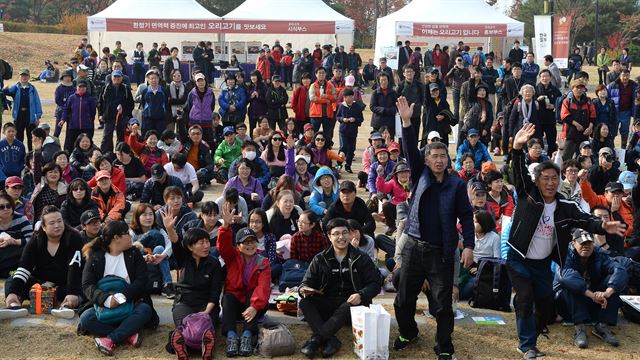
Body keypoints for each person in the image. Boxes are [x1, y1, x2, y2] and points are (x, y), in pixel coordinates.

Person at [504, 123, 625, 359]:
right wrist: (517, 148)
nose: (550, 183)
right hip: (518, 258)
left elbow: (585, 220)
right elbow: (518, 171)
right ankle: (527, 344)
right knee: (526, 299)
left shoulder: (565, 206)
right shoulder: (528, 195)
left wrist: (603, 225)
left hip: (542, 264)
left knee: (545, 302)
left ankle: (534, 329)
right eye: (545, 178)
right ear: (537, 181)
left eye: (554, 179)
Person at [393, 97, 475, 359]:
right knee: (403, 299)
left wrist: (470, 246)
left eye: (443, 156)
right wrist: (407, 122)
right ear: (427, 160)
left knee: (442, 306)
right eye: (434, 156)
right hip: (414, 248)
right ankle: (408, 331)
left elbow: (466, 214)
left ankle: (444, 346)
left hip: (441, 251)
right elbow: (408, 148)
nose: (439, 160)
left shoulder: (457, 185)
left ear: (449, 161)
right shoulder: (420, 174)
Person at [298, 217, 382, 358]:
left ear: (350, 235)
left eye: (344, 233)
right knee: (305, 303)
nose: (341, 237)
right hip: (329, 302)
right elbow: (306, 282)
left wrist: (361, 294)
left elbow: (375, 284)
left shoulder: (361, 258)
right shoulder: (320, 259)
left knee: (348, 304)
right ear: (329, 237)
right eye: (336, 234)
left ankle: (316, 339)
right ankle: (331, 339)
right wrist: (304, 289)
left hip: (354, 306)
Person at [79, 220, 158, 356]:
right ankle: (127, 335)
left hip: (130, 304)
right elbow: (87, 285)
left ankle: (110, 339)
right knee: (86, 318)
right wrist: (106, 299)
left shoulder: (134, 254)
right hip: (104, 307)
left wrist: (122, 297)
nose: (131, 236)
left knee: (145, 310)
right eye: (127, 233)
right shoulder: (95, 256)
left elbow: (141, 281)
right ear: (116, 238)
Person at [0, 206, 83, 320]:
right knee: (11, 280)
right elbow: (25, 267)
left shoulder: (74, 237)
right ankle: (14, 306)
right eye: (52, 223)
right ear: (43, 227)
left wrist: (72, 292)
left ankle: (67, 306)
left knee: (81, 287)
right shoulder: (36, 240)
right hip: (41, 282)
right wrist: (13, 292)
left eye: (59, 221)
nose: (57, 225)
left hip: (65, 283)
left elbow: (75, 267)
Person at [554, 229, 627, 349]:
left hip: (595, 302)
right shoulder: (564, 254)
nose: (586, 246)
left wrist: (608, 292)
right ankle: (579, 327)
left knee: (613, 281)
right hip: (567, 304)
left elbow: (619, 270)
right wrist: (591, 295)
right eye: (582, 243)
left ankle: (602, 325)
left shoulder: (600, 254)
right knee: (569, 283)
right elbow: (566, 276)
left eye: (589, 243)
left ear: (593, 243)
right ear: (573, 243)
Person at [218, 205, 271, 357]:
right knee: (227, 297)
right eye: (245, 242)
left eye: (252, 241)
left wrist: (255, 306)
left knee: (252, 295)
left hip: (254, 304)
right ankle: (231, 336)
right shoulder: (233, 257)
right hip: (235, 305)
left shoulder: (263, 261)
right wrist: (226, 226)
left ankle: (248, 335)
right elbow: (223, 246)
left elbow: (263, 287)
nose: (250, 245)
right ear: (238, 246)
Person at [165, 227, 222, 360]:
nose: (206, 246)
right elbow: (175, 242)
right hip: (184, 302)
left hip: (207, 304)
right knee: (188, 326)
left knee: (202, 325)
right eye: (201, 243)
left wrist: (205, 313)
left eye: (207, 242)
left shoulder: (214, 264)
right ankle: (198, 343)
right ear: (190, 247)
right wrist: (169, 228)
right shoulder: (183, 258)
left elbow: (215, 292)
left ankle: (180, 341)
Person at [129, 203, 174, 297]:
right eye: (144, 215)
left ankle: (167, 284)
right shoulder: (132, 232)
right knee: (152, 234)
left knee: (160, 248)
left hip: (157, 260)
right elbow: (130, 252)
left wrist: (162, 256)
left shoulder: (159, 229)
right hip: (140, 260)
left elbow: (169, 245)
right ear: (137, 217)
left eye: (151, 214)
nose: (148, 217)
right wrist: (144, 257)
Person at [459, 210, 501, 300]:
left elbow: (497, 261)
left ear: (483, 223)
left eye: (475, 222)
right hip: (468, 267)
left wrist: (480, 269)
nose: (472, 224)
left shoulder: (494, 238)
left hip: (484, 271)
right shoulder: (470, 236)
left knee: (464, 292)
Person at [3, 68, 42, 150]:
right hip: (19, 116)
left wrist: (38, 117)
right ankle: (19, 153)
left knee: (31, 137)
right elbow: (8, 92)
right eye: (22, 75)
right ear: (20, 77)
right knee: (19, 137)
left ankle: (31, 156)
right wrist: (5, 88)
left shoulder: (32, 89)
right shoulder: (16, 87)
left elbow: (37, 102)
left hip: (30, 117)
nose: (24, 77)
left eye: (26, 76)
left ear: (29, 77)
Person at [97, 70, 134, 153]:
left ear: (122, 78)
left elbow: (131, 104)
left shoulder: (125, 88)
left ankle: (120, 153)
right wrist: (100, 114)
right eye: (115, 77)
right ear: (111, 77)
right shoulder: (106, 88)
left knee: (121, 137)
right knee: (107, 137)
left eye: (118, 77)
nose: (116, 78)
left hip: (122, 117)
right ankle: (106, 154)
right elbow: (100, 103)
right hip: (108, 116)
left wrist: (124, 111)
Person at [0, 190, 33, 278]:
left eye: (8, 206)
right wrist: (2, 235)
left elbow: (31, 239)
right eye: (1, 207)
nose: (6, 209)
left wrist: (13, 241)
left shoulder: (21, 219)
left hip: (17, 254)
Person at [561, 79, 596, 160]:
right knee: (566, 157)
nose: (579, 90)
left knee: (583, 157)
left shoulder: (588, 101)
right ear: (572, 88)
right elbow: (564, 116)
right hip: (570, 135)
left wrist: (590, 128)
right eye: (577, 88)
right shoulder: (567, 101)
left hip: (584, 134)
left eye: (582, 88)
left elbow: (593, 116)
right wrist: (576, 124)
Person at [183, 73, 216, 145]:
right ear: (196, 83)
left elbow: (212, 106)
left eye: (202, 80)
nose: (201, 83)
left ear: (205, 81)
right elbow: (189, 106)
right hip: (194, 121)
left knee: (207, 143)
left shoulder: (211, 93)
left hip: (206, 121)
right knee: (194, 143)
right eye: (198, 81)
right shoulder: (191, 93)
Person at [607, 69, 637, 147]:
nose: (625, 77)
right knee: (613, 131)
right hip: (615, 112)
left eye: (627, 75)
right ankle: (611, 147)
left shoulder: (634, 85)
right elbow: (606, 97)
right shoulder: (612, 85)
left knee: (625, 131)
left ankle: (623, 148)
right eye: (623, 75)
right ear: (620, 76)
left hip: (626, 112)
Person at [336, 88, 363, 173]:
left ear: (352, 97)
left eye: (349, 96)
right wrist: (343, 119)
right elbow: (338, 117)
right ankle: (339, 163)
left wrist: (354, 119)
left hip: (353, 131)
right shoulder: (342, 106)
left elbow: (361, 119)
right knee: (343, 147)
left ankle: (348, 165)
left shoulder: (357, 106)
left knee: (351, 149)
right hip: (343, 130)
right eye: (345, 97)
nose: (347, 98)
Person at [535, 69, 562, 155]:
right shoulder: (535, 89)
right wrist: (537, 100)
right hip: (538, 119)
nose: (545, 78)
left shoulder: (555, 90)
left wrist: (554, 106)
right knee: (538, 140)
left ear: (550, 78)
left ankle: (551, 156)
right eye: (542, 76)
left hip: (550, 119)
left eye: (546, 76)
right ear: (540, 78)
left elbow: (560, 103)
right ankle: (540, 156)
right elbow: (531, 103)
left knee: (552, 141)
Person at [309, 67, 336, 143]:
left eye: (323, 73)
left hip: (328, 114)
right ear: (316, 74)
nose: (321, 74)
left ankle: (327, 149)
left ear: (326, 74)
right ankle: (312, 148)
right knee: (314, 133)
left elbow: (334, 97)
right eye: (319, 73)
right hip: (315, 114)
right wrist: (325, 100)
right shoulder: (313, 85)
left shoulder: (330, 85)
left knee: (327, 134)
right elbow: (312, 98)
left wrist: (327, 96)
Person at [396, 65, 424, 140]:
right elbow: (396, 99)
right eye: (407, 72)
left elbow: (423, 99)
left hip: (416, 114)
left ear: (414, 73)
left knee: (415, 135)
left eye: (411, 71)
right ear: (404, 74)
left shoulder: (419, 85)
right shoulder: (400, 85)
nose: (409, 73)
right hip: (404, 115)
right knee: (403, 136)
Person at [446, 56, 470, 121]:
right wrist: (453, 69)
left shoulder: (465, 69)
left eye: (460, 60)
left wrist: (464, 69)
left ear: (463, 61)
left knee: (465, 107)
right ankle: (456, 122)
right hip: (455, 90)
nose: (459, 62)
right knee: (456, 109)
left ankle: (464, 121)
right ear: (455, 62)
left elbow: (469, 76)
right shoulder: (454, 69)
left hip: (464, 90)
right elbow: (447, 76)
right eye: (458, 60)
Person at [247, 70, 268, 135]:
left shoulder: (263, 87)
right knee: (252, 130)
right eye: (251, 76)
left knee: (261, 130)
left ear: (258, 77)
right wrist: (251, 97)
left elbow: (267, 100)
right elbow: (247, 100)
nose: (253, 78)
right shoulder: (250, 87)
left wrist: (258, 96)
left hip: (261, 112)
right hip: (252, 112)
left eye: (254, 76)